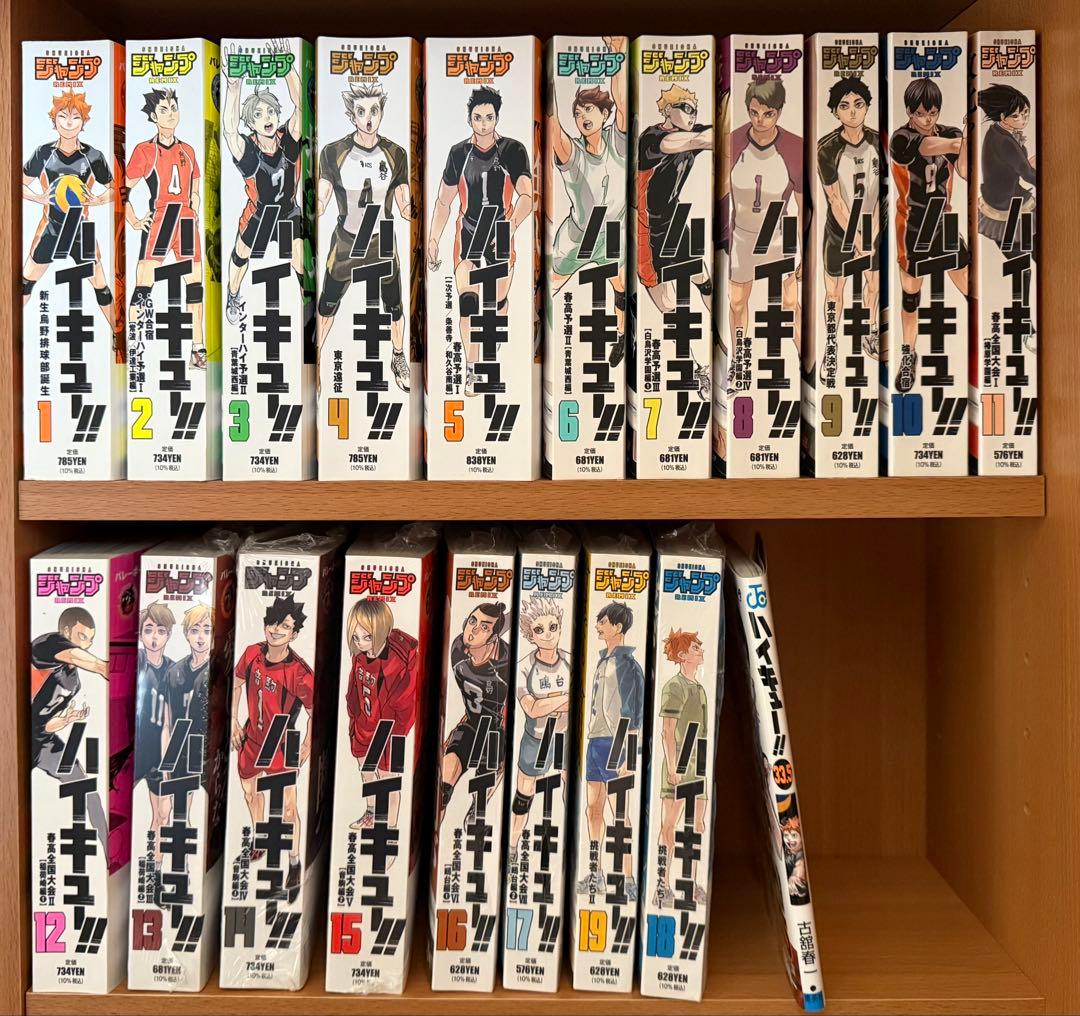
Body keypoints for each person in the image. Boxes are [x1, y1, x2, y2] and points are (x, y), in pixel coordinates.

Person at [427, 86, 533, 397]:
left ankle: (491, 340)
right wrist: (433, 237)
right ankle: (472, 367)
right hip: (469, 232)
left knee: (496, 303)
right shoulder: (458, 153)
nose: (483, 124)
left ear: (497, 118)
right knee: (468, 302)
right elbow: (443, 201)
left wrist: (510, 225)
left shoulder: (513, 150)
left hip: (500, 231)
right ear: (469, 119)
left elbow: (527, 196)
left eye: (489, 117)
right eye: (477, 117)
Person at [317, 81, 415, 392]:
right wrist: (314, 206)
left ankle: (398, 355)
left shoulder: (396, 153)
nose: (369, 118)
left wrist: (412, 209)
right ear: (352, 115)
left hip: (382, 236)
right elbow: (322, 195)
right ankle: (316, 360)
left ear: (382, 112)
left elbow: (404, 201)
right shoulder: (334, 152)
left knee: (395, 306)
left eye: (374, 110)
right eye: (361, 111)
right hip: (348, 238)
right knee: (327, 304)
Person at [231, 594, 313, 902]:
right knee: (250, 793)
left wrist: (306, 744)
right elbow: (236, 683)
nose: (277, 629)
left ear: (295, 634)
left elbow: (314, 710)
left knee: (289, 808)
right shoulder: (252, 653)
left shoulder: (300, 672)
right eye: (273, 623)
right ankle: (260, 836)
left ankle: (294, 862)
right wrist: (234, 720)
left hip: (282, 741)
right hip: (252, 736)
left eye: (285, 626)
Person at [889, 78, 968, 393]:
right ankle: (908, 354)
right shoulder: (901, 138)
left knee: (970, 286)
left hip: (944, 223)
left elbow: (964, 171)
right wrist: (963, 140)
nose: (926, 119)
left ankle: (987, 343)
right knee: (911, 296)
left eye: (932, 113)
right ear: (909, 111)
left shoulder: (951, 133)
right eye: (919, 113)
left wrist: (965, 139)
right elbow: (931, 147)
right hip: (913, 225)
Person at [125, 86, 207, 367]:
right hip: (162, 218)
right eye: (163, 109)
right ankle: (133, 346)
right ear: (153, 116)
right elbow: (124, 189)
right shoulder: (145, 150)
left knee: (195, 286)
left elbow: (195, 183)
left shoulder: (188, 150)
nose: (171, 114)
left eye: (173, 108)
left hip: (185, 220)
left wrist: (195, 204)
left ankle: (198, 350)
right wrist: (135, 220)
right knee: (143, 284)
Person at [22, 90, 115, 330]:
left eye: (76, 117)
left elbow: (115, 189)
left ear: (83, 122)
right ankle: (12, 331)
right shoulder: (43, 153)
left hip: (81, 231)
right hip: (51, 228)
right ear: (54, 120)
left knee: (102, 288)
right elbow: (16, 183)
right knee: (25, 283)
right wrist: (39, 197)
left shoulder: (93, 156)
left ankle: (118, 335)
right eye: (63, 116)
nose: (69, 122)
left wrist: (97, 200)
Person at [577, 601, 643, 901]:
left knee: (620, 813)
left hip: (618, 742)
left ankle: (627, 877)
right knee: (593, 808)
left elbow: (634, 714)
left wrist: (628, 754)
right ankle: (596, 872)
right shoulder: (602, 661)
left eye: (603, 622)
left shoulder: (628, 665)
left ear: (618, 627)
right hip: (596, 740)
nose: (598, 626)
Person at [30, 607, 110, 853]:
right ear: (66, 631)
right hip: (16, 738)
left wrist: (66, 719)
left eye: (90, 639)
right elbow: (78, 656)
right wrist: (103, 667)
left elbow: (44, 724)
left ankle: (107, 850)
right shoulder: (46, 645)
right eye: (81, 636)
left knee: (84, 786)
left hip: (43, 741)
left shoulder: (73, 682)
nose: (86, 644)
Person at [343, 598, 418, 843]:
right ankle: (371, 812)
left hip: (390, 730)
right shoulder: (359, 657)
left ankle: (389, 833)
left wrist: (395, 733)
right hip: (365, 724)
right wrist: (354, 719)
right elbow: (353, 690)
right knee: (366, 771)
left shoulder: (398, 661)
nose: (361, 643)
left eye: (367, 637)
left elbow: (406, 702)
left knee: (388, 780)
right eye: (356, 637)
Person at [438, 602, 509, 823]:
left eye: (484, 627)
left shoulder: (506, 665)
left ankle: (479, 807)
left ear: (494, 637)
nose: (474, 629)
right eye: (472, 621)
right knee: (441, 791)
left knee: (478, 805)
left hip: (496, 733)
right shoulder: (457, 648)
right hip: (470, 724)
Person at [508, 596, 570, 850]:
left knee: (569, 790)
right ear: (530, 635)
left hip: (564, 737)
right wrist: (564, 698)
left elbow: (581, 702)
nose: (548, 634)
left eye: (553, 627)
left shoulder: (570, 660)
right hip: (535, 738)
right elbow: (531, 708)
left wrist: (545, 702)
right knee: (523, 796)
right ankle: (512, 846)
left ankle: (566, 844)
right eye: (539, 629)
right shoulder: (523, 666)